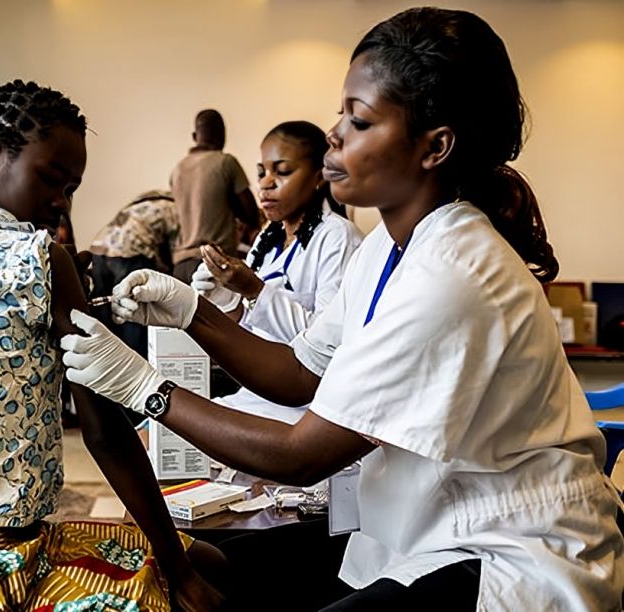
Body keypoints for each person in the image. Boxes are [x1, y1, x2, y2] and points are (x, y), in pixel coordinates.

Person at [61, 7, 624, 610]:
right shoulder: (389, 243)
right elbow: (301, 373)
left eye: (358, 121)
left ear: (435, 147)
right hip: (420, 525)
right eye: (341, 115)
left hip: (507, 553)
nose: (335, 135)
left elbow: (303, 454)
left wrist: (145, 387)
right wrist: (193, 312)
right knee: (211, 562)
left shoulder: (454, 273)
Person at [0, 79, 225, 611]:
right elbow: (104, 432)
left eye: (72, 190)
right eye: (51, 180)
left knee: (203, 560)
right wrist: (179, 576)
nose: (61, 204)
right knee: (199, 580)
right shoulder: (39, 256)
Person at [191, 121, 363, 423]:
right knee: (150, 437)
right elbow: (252, 333)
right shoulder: (267, 239)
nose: (266, 183)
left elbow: (327, 344)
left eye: (281, 172)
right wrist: (225, 302)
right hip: (258, 392)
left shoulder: (337, 238)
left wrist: (255, 291)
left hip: (305, 403)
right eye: (261, 172)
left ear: (318, 177)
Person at [170, 109, 258, 283]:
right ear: (223, 136)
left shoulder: (178, 169)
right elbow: (250, 213)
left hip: (180, 266)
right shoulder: (226, 162)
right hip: (213, 264)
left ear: (195, 136)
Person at [89, 189, 178, 358]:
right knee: (133, 311)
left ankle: (106, 361)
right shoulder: (180, 209)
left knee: (105, 314)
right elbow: (177, 253)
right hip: (131, 252)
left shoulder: (151, 199)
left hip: (100, 250)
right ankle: (135, 364)